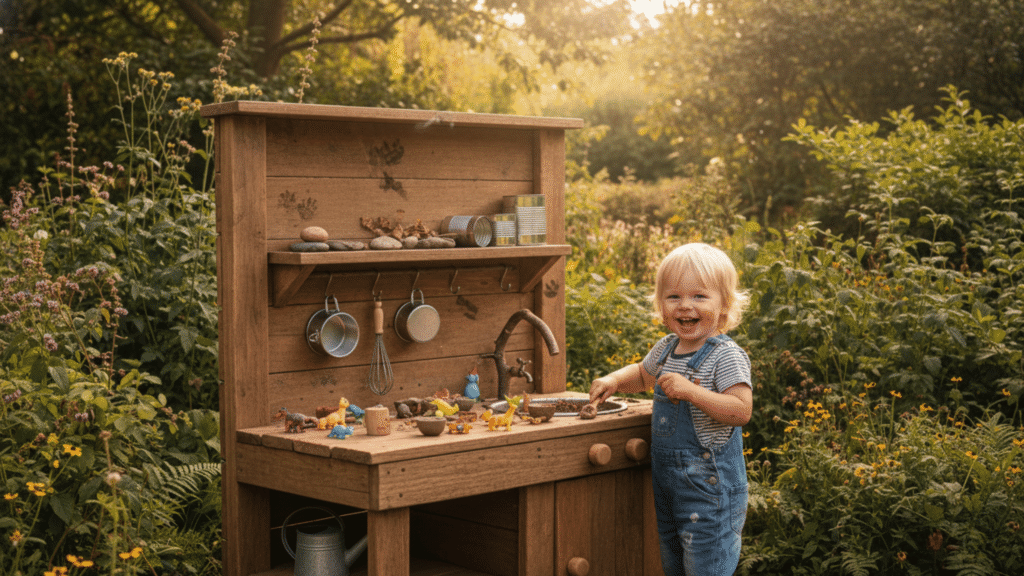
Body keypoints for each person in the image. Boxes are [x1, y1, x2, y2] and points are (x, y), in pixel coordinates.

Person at [589, 242, 752, 576]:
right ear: (661, 305)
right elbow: (642, 374)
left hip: (712, 498)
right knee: (674, 566)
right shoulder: (666, 349)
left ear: (724, 305)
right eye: (674, 296)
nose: (685, 306)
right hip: (672, 494)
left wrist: (692, 392)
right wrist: (615, 380)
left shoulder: (725, 355)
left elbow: (740, 410)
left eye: (699, 296)